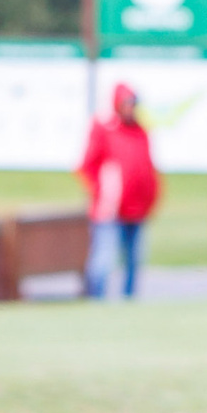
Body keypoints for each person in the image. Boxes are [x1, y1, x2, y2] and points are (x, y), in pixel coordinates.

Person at [79, 81, 158, 296]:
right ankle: (97, 300)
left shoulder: (140, 131)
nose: (130, 107)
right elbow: (87, 165)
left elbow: (147, 168)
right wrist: (103, 190)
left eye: (133, 103)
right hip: (110, 210)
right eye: (126, 103)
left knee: (134, 260)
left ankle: (129, 301)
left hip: (137, 208)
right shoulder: (105, 129)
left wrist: (151, 198)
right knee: (104, 258)